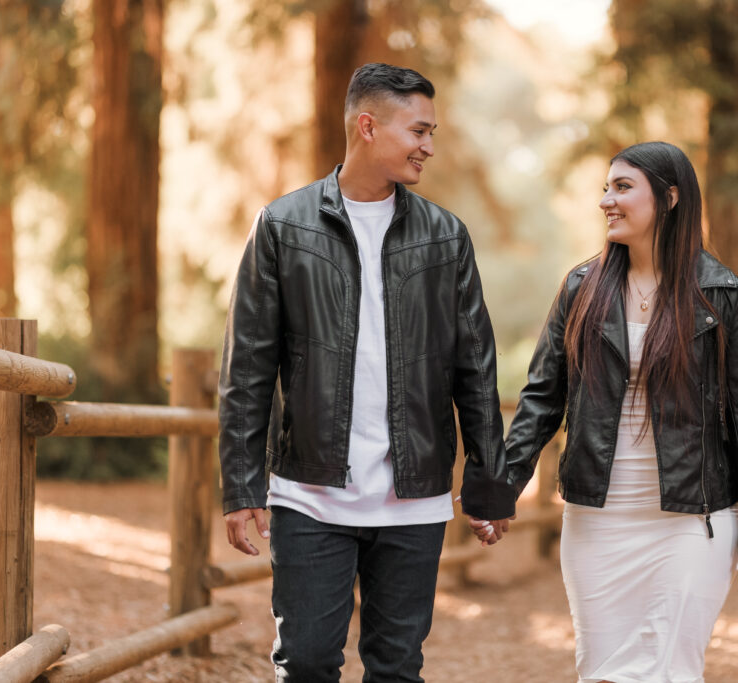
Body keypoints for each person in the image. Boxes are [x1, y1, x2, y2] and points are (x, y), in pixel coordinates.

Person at [217, 62, 515, 682]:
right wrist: (242, 487)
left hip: (414, 499)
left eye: (433, 132)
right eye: (419, 131)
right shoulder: (282, 226)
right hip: (310, 495)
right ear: (368, 125)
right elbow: (247, 367)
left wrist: (489, 483)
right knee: (307, 663)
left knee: (397, 668)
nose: (429, 146)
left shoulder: (446, 237)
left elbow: (476, 369)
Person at [494, 141, 738, 682]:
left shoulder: (725, 294)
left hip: (693, 522)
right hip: (597, 520)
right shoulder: (581, 288)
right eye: (606, 187)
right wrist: (504, 485)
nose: (606, 200)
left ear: (669, 199)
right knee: (601, 671)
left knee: (669, 669)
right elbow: (542, 399)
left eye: (623, 187)